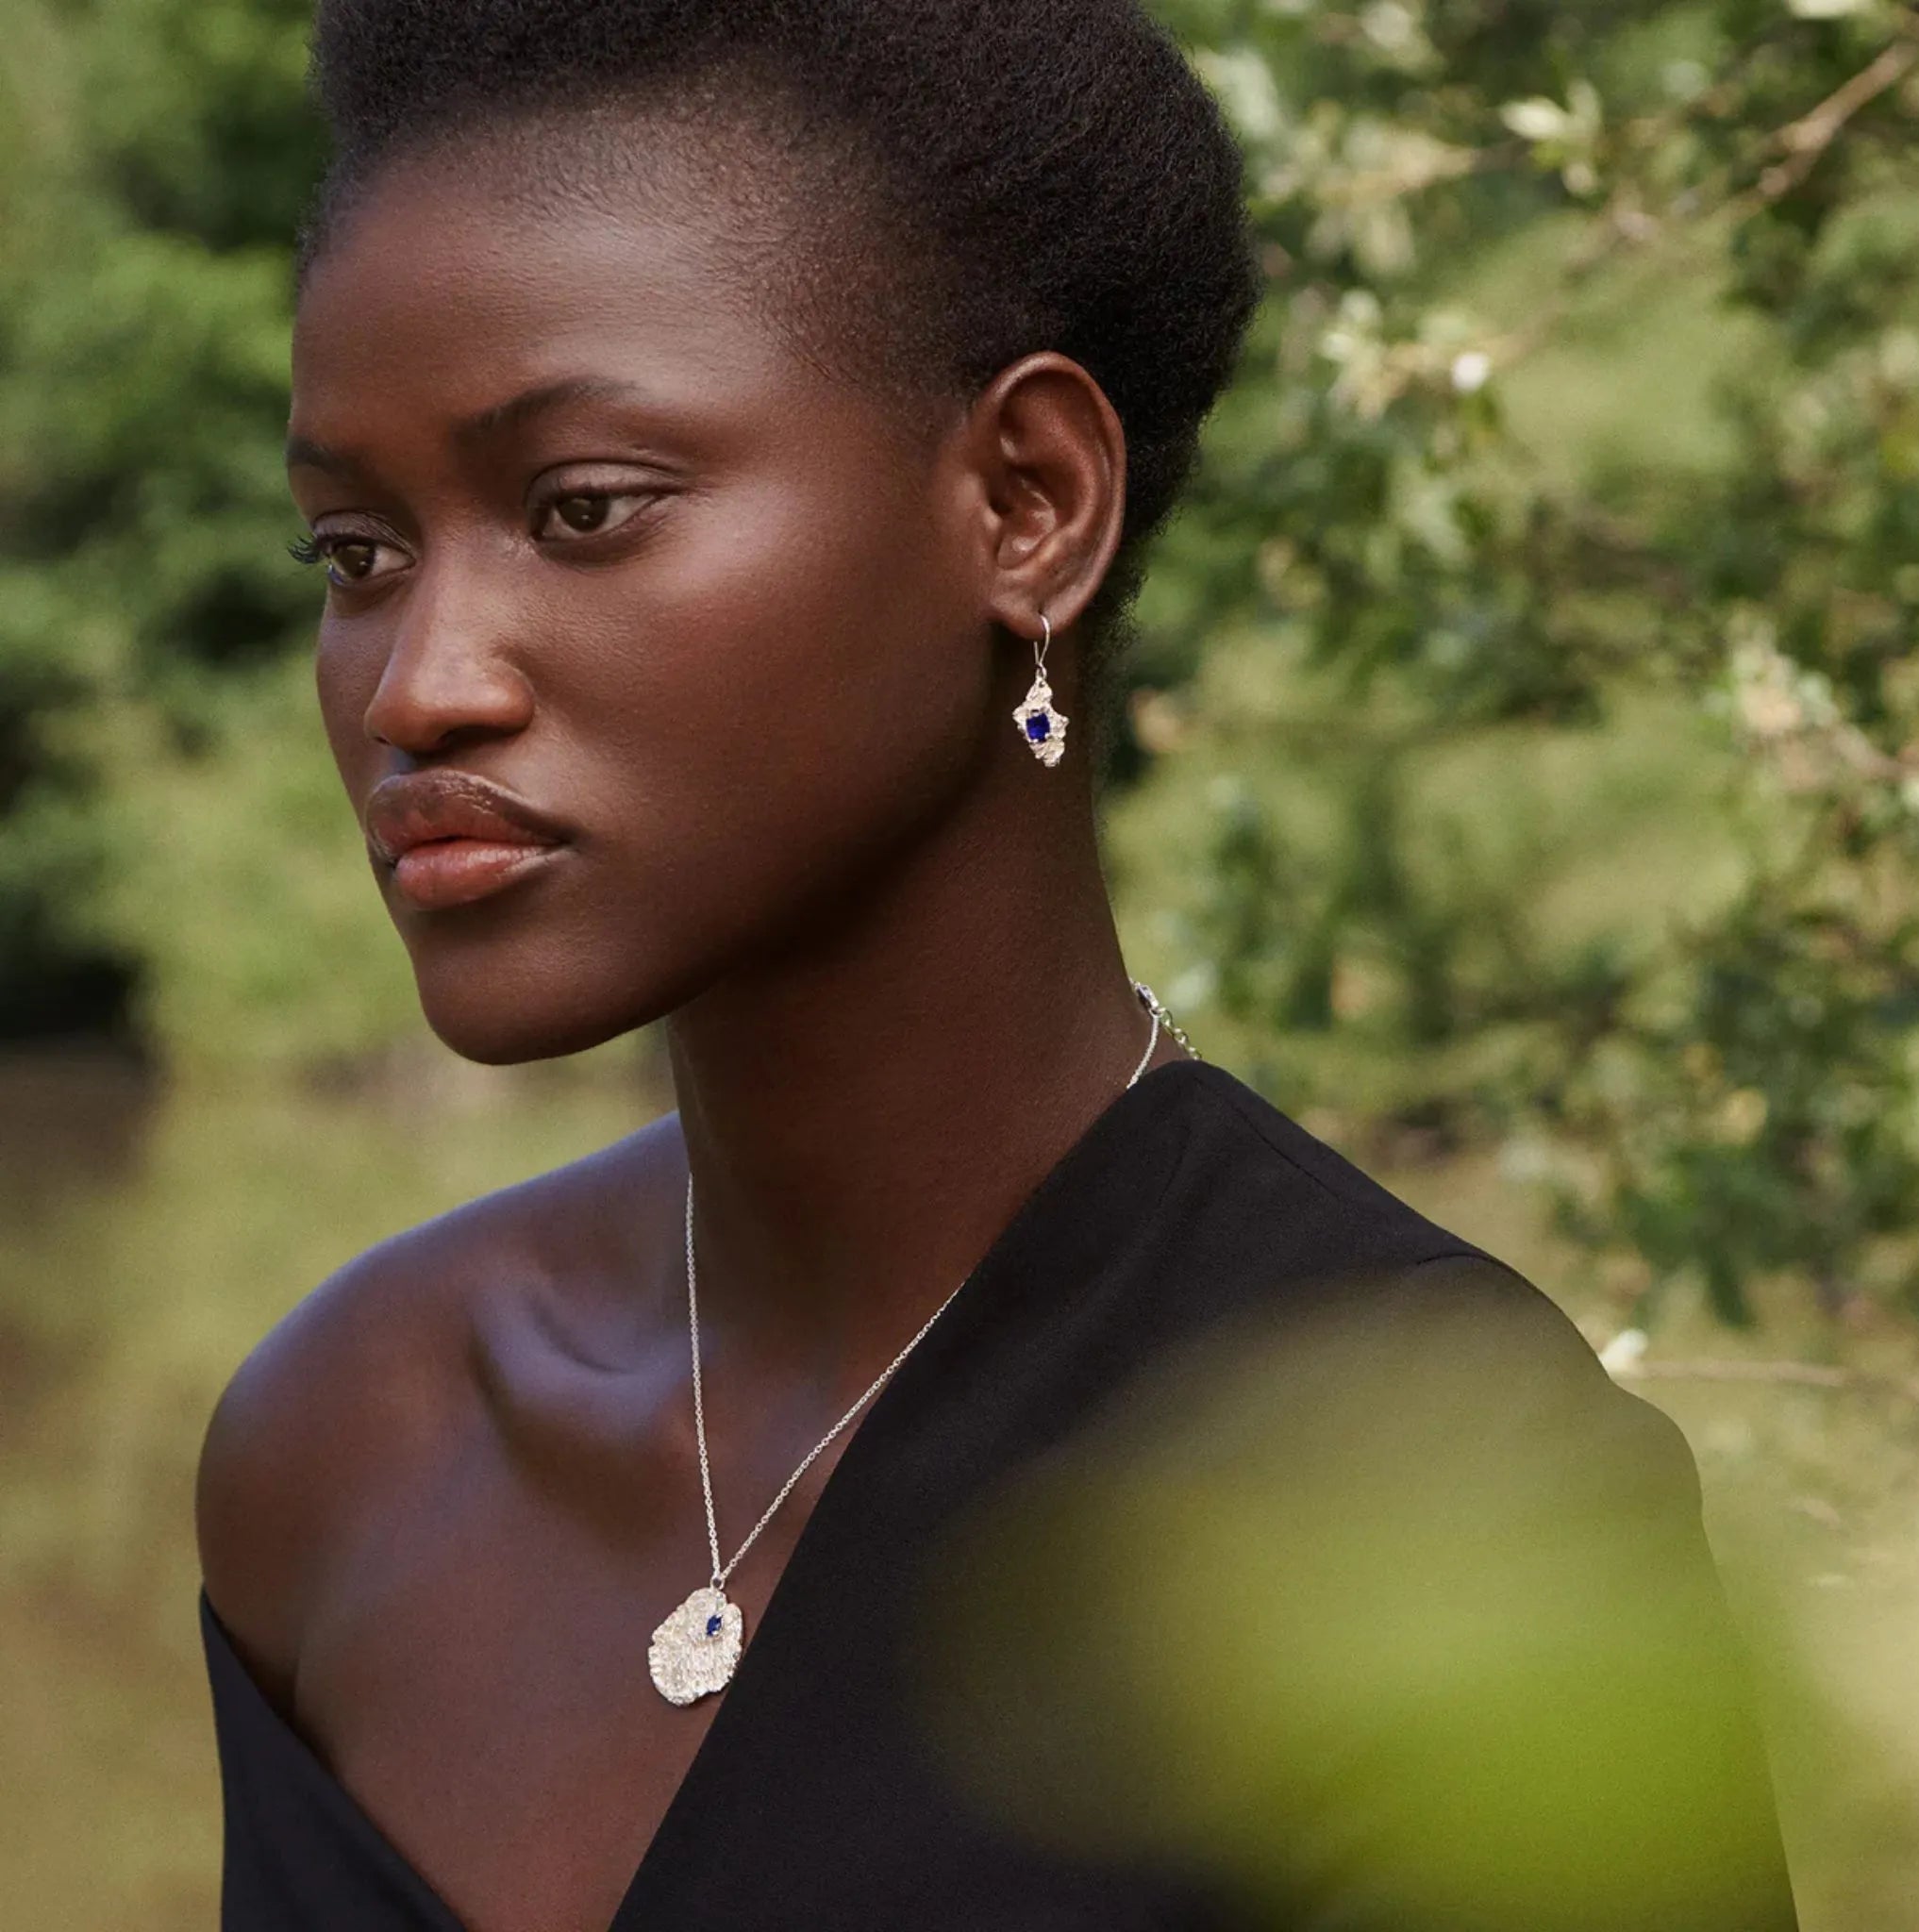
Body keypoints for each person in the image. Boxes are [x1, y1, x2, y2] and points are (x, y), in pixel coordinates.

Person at [192, 5, 1800, 1930]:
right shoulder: (353, 1442)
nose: (423, 681)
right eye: (355, 552)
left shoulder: (1444, 1499)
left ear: (1026, 502)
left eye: (580, 509)